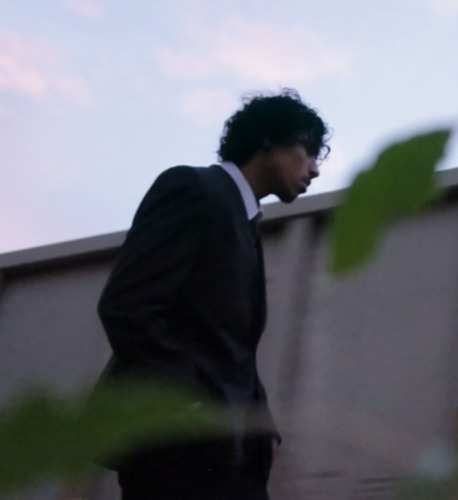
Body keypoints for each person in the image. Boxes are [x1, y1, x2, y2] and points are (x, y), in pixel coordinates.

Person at [97, 88, 330, 500]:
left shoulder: (244, 223)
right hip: (179, 443)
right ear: (268, 139)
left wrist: (262, 427)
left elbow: (229, 346)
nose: (314, 169)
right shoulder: (194, 188)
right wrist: (193, 404)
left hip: (229, 453)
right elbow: (128, 306)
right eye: (308, 151)